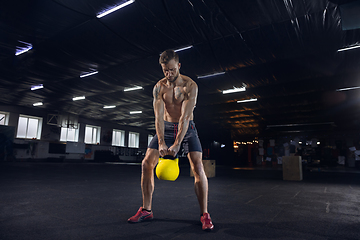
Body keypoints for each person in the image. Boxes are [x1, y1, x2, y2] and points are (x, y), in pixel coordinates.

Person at [127, 49, 214, 231]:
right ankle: (146, 210)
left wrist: (176, 144)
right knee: (146, 164)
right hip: (166, 127)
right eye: (165, 70)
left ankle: (204, 214)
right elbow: (158, 118)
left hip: (187, 128)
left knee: (198, 167)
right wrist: (161, 142)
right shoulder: (159, 87)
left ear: (179, 66)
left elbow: (185, 117)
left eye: (172, 70)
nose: (169, 74)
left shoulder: (190, 86)